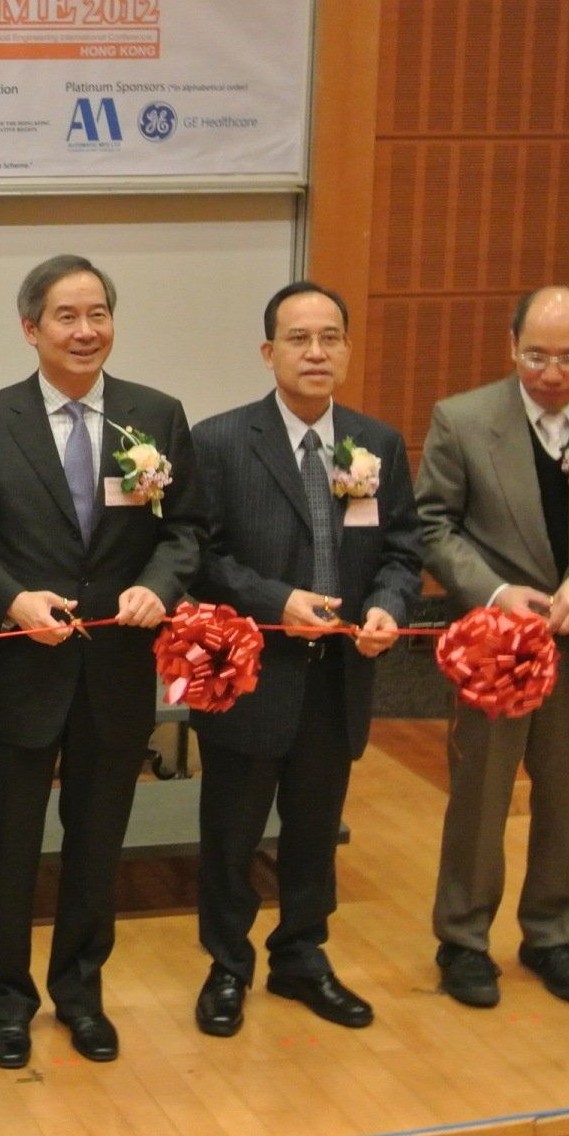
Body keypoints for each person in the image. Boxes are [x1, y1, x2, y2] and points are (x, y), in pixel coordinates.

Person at [0, 254, 202, 1067]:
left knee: (97, 845)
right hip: (19, 672)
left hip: (116, 673)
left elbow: (186, 531)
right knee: (9, 846)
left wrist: (158, 586)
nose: (85, 330)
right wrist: (10, 598)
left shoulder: (154, 416)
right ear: (31, 329)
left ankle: (81, 994)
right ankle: (6, 1002)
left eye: (97, 313)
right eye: (66, 316)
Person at [187, 280, 422, 1036]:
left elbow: (401, 549)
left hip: (338, 679)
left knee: (315, 830)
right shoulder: (219, 442)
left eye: (330, 337)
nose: (316, 352)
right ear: (268, 353)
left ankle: (301, 956)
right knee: (230, 832)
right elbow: (200, 557)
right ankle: (226, 965)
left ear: (347, 350)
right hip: (250, 674)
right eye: (298, 338)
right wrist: (275, 601)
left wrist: (388, 603)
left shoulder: (374, 443)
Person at [417, 283, 569, 1008]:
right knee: (479, 798)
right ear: (509, 346)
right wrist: (492, 593)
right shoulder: (461, 420)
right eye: (534, 356)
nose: (550, 374)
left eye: (568, 357)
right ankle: (461, 940)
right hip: (498, 646)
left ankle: (553, 935)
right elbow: (431, 525)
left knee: (566, 797)